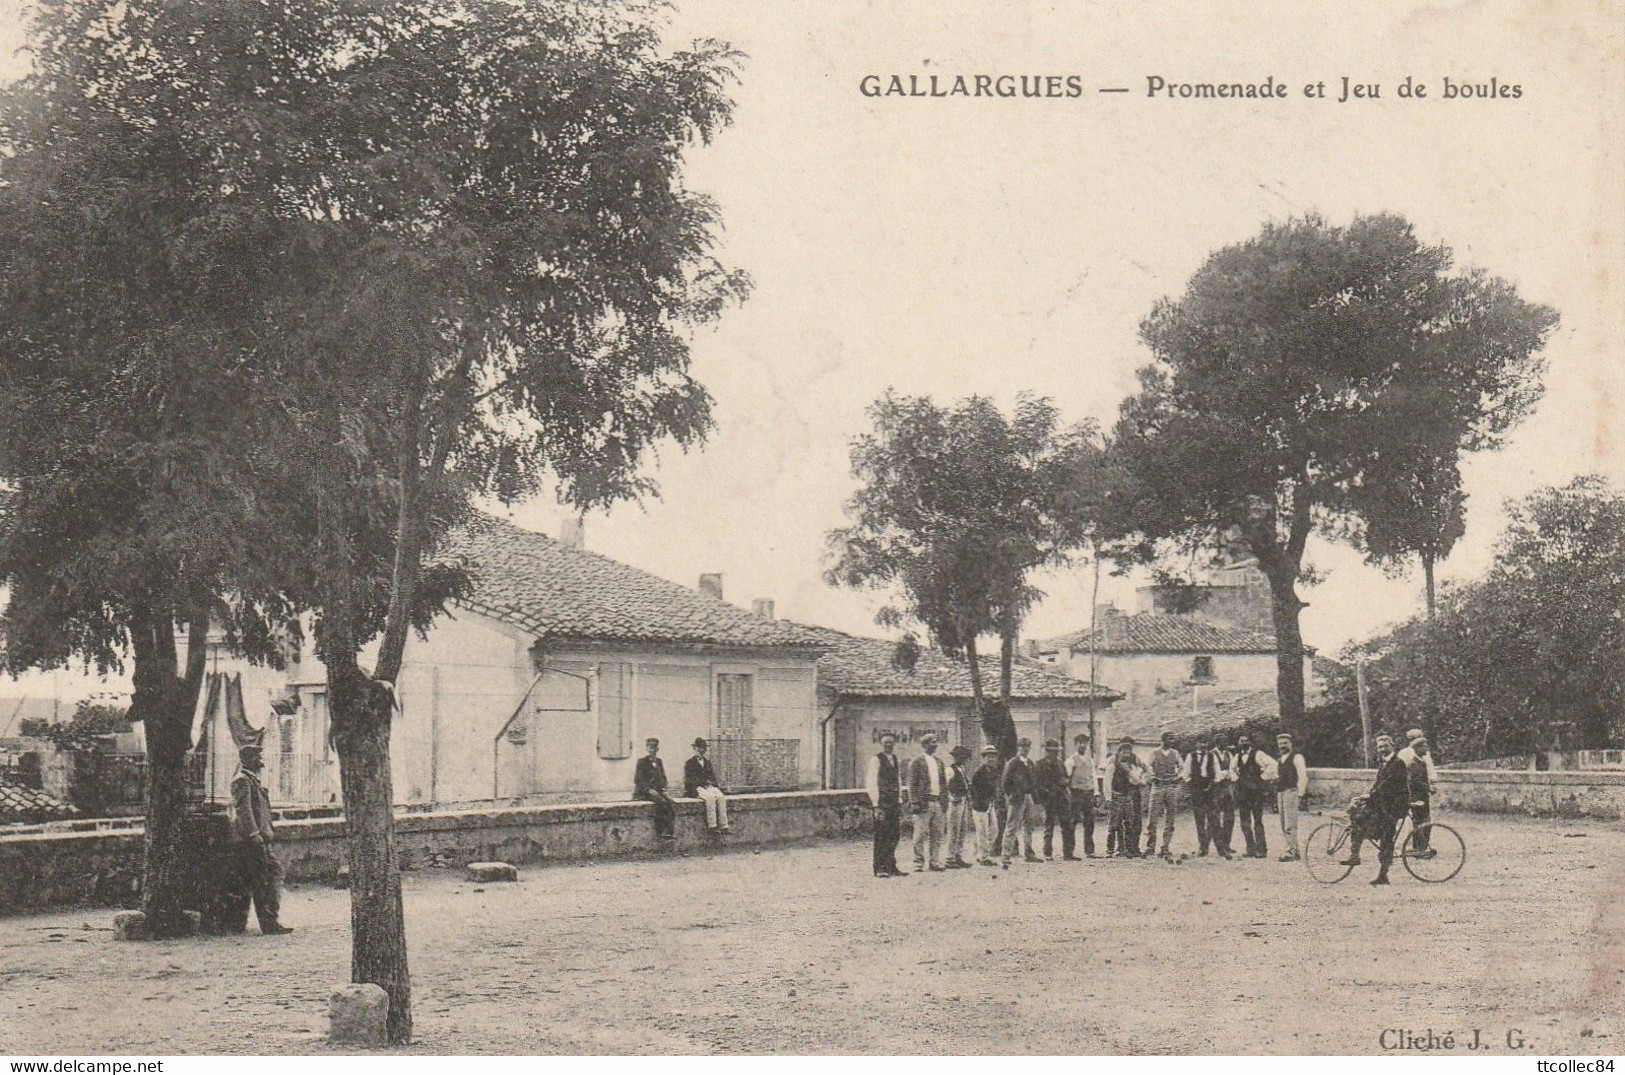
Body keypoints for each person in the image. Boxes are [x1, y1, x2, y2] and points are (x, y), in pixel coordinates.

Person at [229, 744, 293, 935]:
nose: (261, 760)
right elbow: (244, 810)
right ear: (247, 759)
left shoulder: (251, 780)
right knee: (265, 878)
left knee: (263, 877)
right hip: (252, 842)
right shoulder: (242, 781)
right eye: (257, 757)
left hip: (260, 840)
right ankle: (268, 922)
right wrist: (253, 834)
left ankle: (264, 920)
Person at [1341, 733, 1411, 884]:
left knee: (1386, 837)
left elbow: (1388, 786)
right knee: (1358, 819)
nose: (1382, 749)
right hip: (1382, 803)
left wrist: (1370, 796)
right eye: (1379, 747)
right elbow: (1378, 785)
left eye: (1385, 746)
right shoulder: (1384, 763)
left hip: (1394, 806)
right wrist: (1367, 795)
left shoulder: (1397, 763)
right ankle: (1355, 856)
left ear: (1392, 746)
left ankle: (1383, 875)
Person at [865, 733, 906, 878]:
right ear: (882, 744)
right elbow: (871, 782)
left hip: (894, 802)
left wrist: (900, 800)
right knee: (882, 835)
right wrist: (876, 805)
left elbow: (898, 781)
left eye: (891, 742)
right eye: (886, 743)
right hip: (882, 803)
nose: (889, 745)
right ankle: (880, 867)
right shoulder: (876, 760)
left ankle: (891, 865)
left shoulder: (895, 759)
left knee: (894, 835)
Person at [908, 733, 949, 872]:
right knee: (920, 834)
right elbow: (912, 784)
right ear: (924, 744)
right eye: (932, 742)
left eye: (936, 742)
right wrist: (914, 802)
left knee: (937, 834)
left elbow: (943, 783)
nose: (935, 745)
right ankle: (918, 862)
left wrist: (945, 801)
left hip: (938, 802)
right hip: (924, 803)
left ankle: (934, 861)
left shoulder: (939, 762)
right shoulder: (917, 762)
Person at [1233, 733, 1278, 858]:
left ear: (1250, 742)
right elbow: (1232, 770)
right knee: (1244, 822)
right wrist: (1236, 779)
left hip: (1255, 793)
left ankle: (1261, 849)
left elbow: (1273, 765)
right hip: (1243, 794)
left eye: (1246, 740)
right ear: (1238, 743)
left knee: (1258, 821)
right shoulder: (1237, 757)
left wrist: (1261, 779)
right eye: (1241, 741)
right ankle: (1250, 849)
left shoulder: (1258, 754)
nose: (1244, 743)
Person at [1185, 734, 1229, 859]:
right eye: (1201, 742)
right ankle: (1203, 848)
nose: (1203, 745)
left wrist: (1213, 784)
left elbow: (1218, 773)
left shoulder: (1212, 756)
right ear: (1196, 743)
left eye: (1205, 742)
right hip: (1197, 790)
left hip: (1210, 790)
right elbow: (1186, 773)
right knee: (1199, 820)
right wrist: (1193, 785)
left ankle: (1221, 848)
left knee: (1214, 819)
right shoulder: (1190, 756)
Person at [1000, 737, 1041, 868]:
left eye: (1027, 747)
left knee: (1029, 826)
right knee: (1012, 826)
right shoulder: (1012, 763)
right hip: (1017, 798)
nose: (1025, 749)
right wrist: (1012, 796)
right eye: (1022, 747)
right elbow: (1005, 783)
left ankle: (1029, 853)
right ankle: (1005, 856)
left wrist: (1035, 798)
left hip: (1029, 797)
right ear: (1018, 748)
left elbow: (1034, 782)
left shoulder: (1030, 763)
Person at [1035, 739, 1077, 861]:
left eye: (1056, 751)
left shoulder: (1060, 763)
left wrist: (1065, 781)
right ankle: (1047, 853)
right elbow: (1038, 783)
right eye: (1051, 751)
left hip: (1061, 798)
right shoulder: (1040, 764)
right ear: (1047, 751)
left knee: (1067, 825)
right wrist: (1046, 793)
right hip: (1049, 799)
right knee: (1049, 826)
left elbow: (1064, 776)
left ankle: (1068, 853)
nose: (1054, 754)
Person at [1144, 731, 1183, 858]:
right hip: (1158, 787)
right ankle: (1150, 847)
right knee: (1152, 817)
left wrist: (1178, 777)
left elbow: (1182, 767)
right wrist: (1153, 777)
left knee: (1170, 817)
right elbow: (1148, 766)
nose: (1172, 741)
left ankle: (1165, 847)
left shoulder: (1175, 753)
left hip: (1171, 787)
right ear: (1164, 739)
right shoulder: (1154, 752)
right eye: (1170, 739)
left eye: (1173, 739)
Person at [1107, 740, 1147, 858]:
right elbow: (1107, 781)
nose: (1126, 755)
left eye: (1128, 753)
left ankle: (1128, 849)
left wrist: (1142, 780)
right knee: (1114, 824)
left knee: (1129, 822)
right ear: (1119, 752)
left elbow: (1135, 778)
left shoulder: (1130, 765)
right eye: (1124, 752)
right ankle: (1110, 850)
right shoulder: (1112, 764)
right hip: (1116, 795)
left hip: (1127, 796)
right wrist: (1108, 797)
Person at [1397, 735, 1435, 856]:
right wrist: (1429, 788)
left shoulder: (1420, 762)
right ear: (1417, 748)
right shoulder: (1414, 764)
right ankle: (1420, 848)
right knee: (1422, 822)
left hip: (1422, 797)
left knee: (1421, 822)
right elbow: (1414, 782)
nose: (1427, 749)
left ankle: (1420, 847)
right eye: (1424, 746)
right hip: (1418, 798)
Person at [684, 737, 730, 834]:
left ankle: (724, 826)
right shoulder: (689, 763)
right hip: (696, 788)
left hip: (708, 786)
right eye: (699, 748)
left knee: (721, 797)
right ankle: (712, 826)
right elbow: (689, 780)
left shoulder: (707, 762)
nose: (701, 750)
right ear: (695, 749)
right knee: (710, 798)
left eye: (703, 748)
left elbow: (712, 776)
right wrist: (702, 783)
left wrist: (713, 784)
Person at [634, 737, 677, 839]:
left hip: (658, 791)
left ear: (658, 749)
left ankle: (670, 832)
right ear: (647, 749)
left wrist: (664, 790)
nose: (652, 750)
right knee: (661, 802)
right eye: (650, 747)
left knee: (670, 802)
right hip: (644, 792)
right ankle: (660, 831)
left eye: (654, 747)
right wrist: (648, 790)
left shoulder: (659, 762)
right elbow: (638, 779)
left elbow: (663, 777)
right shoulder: (642, 762)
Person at [1065, 733, 1099, 857]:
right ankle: (1069, 851)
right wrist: (1068, 794)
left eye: (1085, 743)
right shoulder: (1071, 760)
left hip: (1088, 793)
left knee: (1089, 822)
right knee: (1072, 821)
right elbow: (1066, 778)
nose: (1083, 745)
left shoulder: (1090, 760)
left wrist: (1096, 793)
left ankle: (1089, 850)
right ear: (1076, 744)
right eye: (1080, 743)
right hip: (1076, 793)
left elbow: (1094, 777)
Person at [1275, 732, 1308, 862]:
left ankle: (1291, 851)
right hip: (1281, 792)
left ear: (1290, 744)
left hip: (1292, 791)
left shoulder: (1297, 757)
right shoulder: (1280, 759)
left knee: (1290, 824)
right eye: (1280, 744)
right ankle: (1294, 850)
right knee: (1283, 823)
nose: (1282, 746)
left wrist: (1300, 795)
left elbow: (1303, 776)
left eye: (1285, 743)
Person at [969, 743, 1003, 867]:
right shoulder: (979, 772)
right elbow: (974, 791)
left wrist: (994, 799)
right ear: (984, 758)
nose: (991, 759)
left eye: (993, 756)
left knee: (994, 831)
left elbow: (995, 788)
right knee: (982, 831)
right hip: (980, 806)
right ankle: (984, 857)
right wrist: (980, 802)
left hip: (990, 804)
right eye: (989, 756)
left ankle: (978, 853)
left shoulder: (994, 771)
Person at [945, 745, 974, 868]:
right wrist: (951, 798)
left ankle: (958, 855)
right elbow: (944, 787)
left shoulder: (962, 769)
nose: (964, 759)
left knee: (962, 830)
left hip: (963, 802)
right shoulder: (950, 770)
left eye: (965, 757)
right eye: (961, 757)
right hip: (954, 803)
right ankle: (950, 858)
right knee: (954, 830)